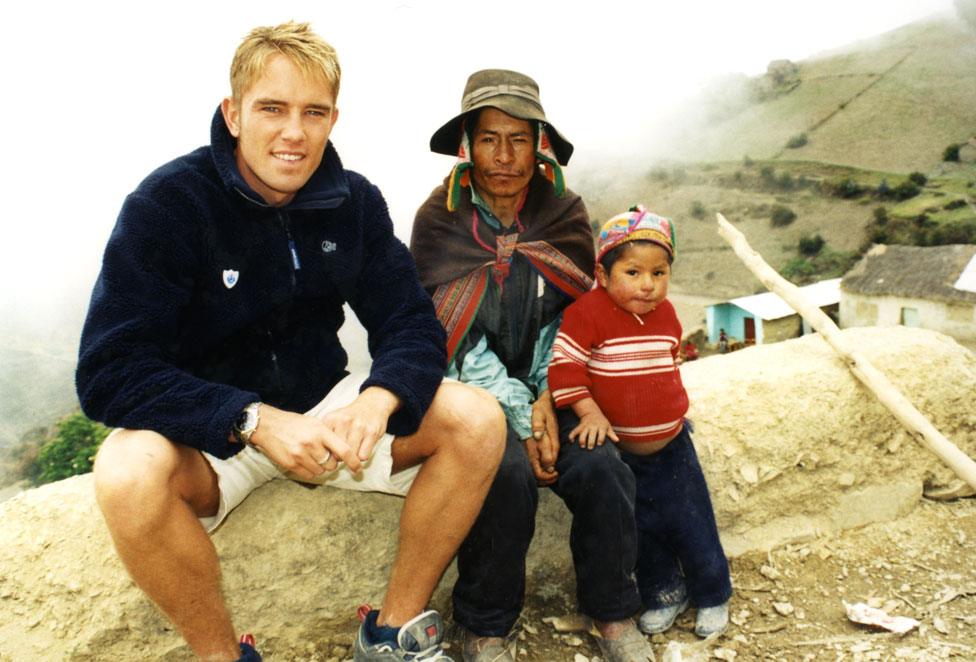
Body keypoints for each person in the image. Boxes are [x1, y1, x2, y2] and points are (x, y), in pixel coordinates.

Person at [76, 22, 505, 662]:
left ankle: (392, 633)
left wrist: (378, 399)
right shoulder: (168, 204)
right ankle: (222, 655)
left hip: (326, 413)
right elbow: (110, 369)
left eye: (313, 112)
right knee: (124, 473)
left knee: (477, 419)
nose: (294, 133)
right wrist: (249, 420)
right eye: (271, 109)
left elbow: (410, 322)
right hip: (207, 432)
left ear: (334, 118)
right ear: (233, 112)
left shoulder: (352, 200)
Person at [411, 70, 654, 662]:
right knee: (506, 476)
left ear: (539, 145)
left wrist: (550, 397)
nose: (504, 155)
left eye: (519, 139)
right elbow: (455, 344)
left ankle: (614, 615)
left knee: (602, 470)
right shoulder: (439, 221)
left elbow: (575, 322)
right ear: (467, 144)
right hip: (474, 397)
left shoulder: (563, 214)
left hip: (564, 386)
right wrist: (522, 419)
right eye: (490, 138)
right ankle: (485, 625)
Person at [548, 206, 733, 640]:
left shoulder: (667, 315)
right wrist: (590, 411)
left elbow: (668, 364)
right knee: (640, 529)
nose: (648, 285)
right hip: (623, 451)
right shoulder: (586, 314)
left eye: (659, 272)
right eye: (633, 272)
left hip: (672, 446)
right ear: (603, 273)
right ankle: (665, 592)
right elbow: (564, 370)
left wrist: (671, 410)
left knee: (692, 521)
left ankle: (712, 593)